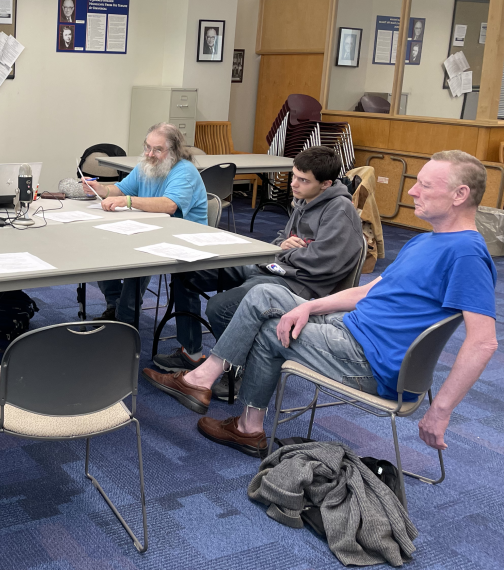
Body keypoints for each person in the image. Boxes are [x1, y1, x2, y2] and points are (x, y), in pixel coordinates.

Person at [144, 150, 497, 458]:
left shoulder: (466, 253)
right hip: (349, 330)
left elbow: (483, 341)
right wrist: (309, 307)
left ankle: (232, 410)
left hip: (367, 360)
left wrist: (442, 410)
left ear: (459, 194)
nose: (412, 191)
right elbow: (369, 291)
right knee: (264, 295)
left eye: (425, 186)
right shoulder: (427, 241)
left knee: (269, 330)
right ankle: (220, 397)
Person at [153, 146, 364, 380]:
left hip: (300, 283)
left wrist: (284, 253)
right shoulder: (305, 198)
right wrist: (283, 248)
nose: (294, 184)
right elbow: (281, 240)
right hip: (275, 267)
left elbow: (323, 262)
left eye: (303, 180)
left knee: (220, 307)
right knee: (188, 272)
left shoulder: (340, 210)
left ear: (325, 184)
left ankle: (238, 372)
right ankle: (191, 353)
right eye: (294, 176)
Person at [83, 123, 209, 324]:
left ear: (173, 151)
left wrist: (129, 201)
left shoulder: (184, 170)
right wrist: (100, 188)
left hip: (182, 237)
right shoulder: (147, 166)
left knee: (139, 257)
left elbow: (169, 205)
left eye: (158, 149)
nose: (150, 154)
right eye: (147, 147)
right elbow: (122, 189)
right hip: (151, 229)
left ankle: (125, 318)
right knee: (102, 245)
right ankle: (115, 305)